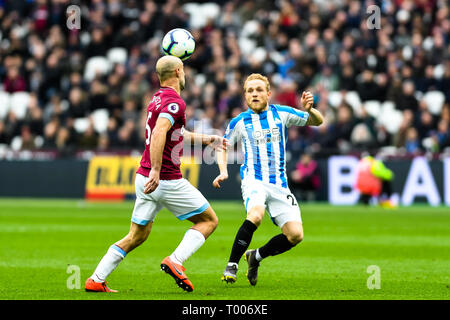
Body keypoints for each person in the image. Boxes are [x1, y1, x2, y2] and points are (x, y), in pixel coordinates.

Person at [85, 56, 227, 293]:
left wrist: (207, 139)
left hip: (143, 178)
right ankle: (176, 261)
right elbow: (161, 130)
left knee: (136, 236)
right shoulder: (176, 102)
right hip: (165, 180)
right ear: (179, 71)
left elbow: (174, 132)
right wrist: (157, 170)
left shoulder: (156, 98)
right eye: (184, 70)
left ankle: (96, 279)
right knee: (209, 221)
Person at [213, 73, 323, 285]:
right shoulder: (239, 122)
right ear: (245, 96)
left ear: (269, 94)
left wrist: (310, 110)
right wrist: (223, 170)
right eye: (250, 91)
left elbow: (317, 121)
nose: (254, 94)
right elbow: (222, 147)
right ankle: (232, 264)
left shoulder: (281, 113)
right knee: (255, 215)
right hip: (254, 180)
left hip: (279, 185)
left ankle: (256, 256)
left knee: (295, 235)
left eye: (259, 90)